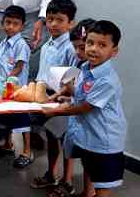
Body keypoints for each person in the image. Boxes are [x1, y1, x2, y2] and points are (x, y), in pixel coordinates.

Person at [43, 21, 125, 197]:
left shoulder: (107, 80)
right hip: (89, 138)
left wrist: (55, 111)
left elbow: (85, 107)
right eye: (90, 43)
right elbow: (81, 97)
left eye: (102, 45)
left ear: (114, 51)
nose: (93, 49)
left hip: (104, 141)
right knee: (93, 174)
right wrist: (67, 97)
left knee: (102, 187)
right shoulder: (85, 68)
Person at [30, 0, 79, 191]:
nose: (53, 24)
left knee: (66, 141)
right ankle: (51, 174)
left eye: (59, 20)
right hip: (47, 97)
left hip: (62, 98)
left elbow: (73, 77)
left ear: (70, 23)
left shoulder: (70, 47)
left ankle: (67, 181)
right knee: (51, 138)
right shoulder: (47, 44)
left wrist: (60, 97)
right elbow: (43, 73)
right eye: (50, 19)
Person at [43, 18, 96, 197]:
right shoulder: (82, 64)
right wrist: (56, 96)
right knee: (64, 141)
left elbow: (87, 101)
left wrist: (61, 106)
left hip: (88, 119)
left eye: (83, 47)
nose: (80, 52)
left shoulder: (98, 72)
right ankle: (68, 183)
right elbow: (72, 85)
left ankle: (87, 192)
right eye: (77, 47)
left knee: (89, 159)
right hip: (76, 115)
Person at [0, 5, 34, 168]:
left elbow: (19, 66)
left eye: (15, 24)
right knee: (4, 118)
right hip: (3, 89)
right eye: (8, 22)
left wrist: (7, 80)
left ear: (22, 26)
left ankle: (27, 151)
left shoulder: (21, 44)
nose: (11, 27)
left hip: (17, 90)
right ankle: (8, 145)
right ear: (2, 22)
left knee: (22, 121)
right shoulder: (3, 43)